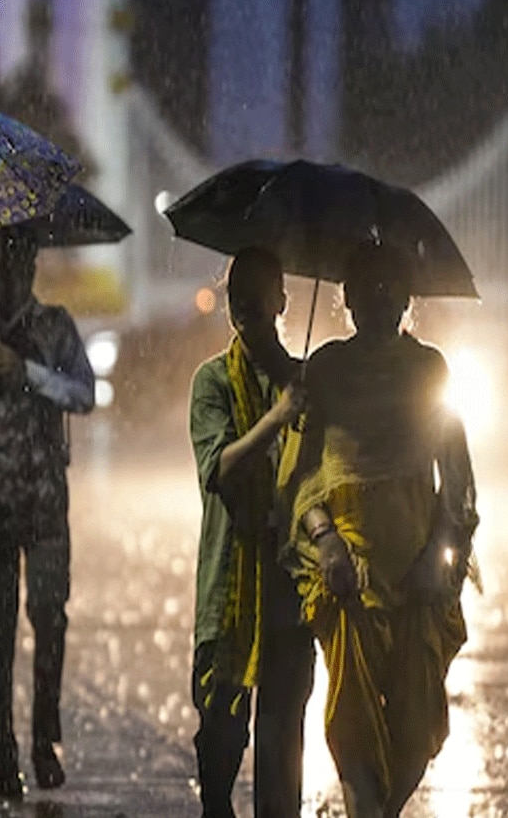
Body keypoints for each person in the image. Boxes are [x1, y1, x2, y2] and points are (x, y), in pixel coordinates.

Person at [278, 241, 477, 818]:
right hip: (349, 581)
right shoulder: (327, 370)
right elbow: (300, 480)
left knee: (416, 732)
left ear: (406, 300)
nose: (379, 298)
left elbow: (458, 481)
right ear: (347, 299)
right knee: (353, 727)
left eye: (390, 287)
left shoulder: (429, 369)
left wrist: (441, 551)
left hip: (419, 581)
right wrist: (327, 541)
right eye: (367, 288)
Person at [0, 227, 94, 798]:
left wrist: (29, 374)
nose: (13, 276)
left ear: (34, 267)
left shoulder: (56, 327)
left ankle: (44, 740)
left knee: (49, 619)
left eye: (22, 264)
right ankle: (2, 756)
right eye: (3, 266)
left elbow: (85, 395)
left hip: (44, 503)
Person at [187, 246, 315, 818]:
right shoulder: (212, 381)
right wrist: (277, 419)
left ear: (281, 302)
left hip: (288, 591)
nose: (247, 308)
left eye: (260, 296)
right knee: (220, 743)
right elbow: (218, 470)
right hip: (230, 590)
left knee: (282, 749)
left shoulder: (306, 385)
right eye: (239, 297)